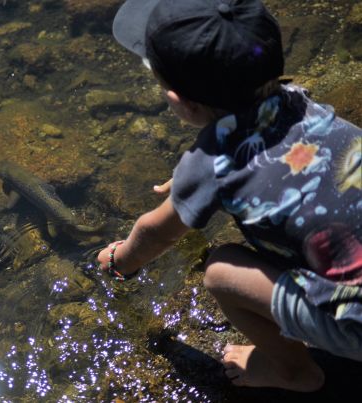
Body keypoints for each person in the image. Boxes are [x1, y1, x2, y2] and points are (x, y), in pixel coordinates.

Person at [97, 0, 362, 393]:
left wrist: (120, 260)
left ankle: (293, 372)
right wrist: (194, 178)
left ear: (177, 101)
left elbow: (156, 234)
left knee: (221, 271)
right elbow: (281, 162)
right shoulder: (304, 105)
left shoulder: (212, 166)